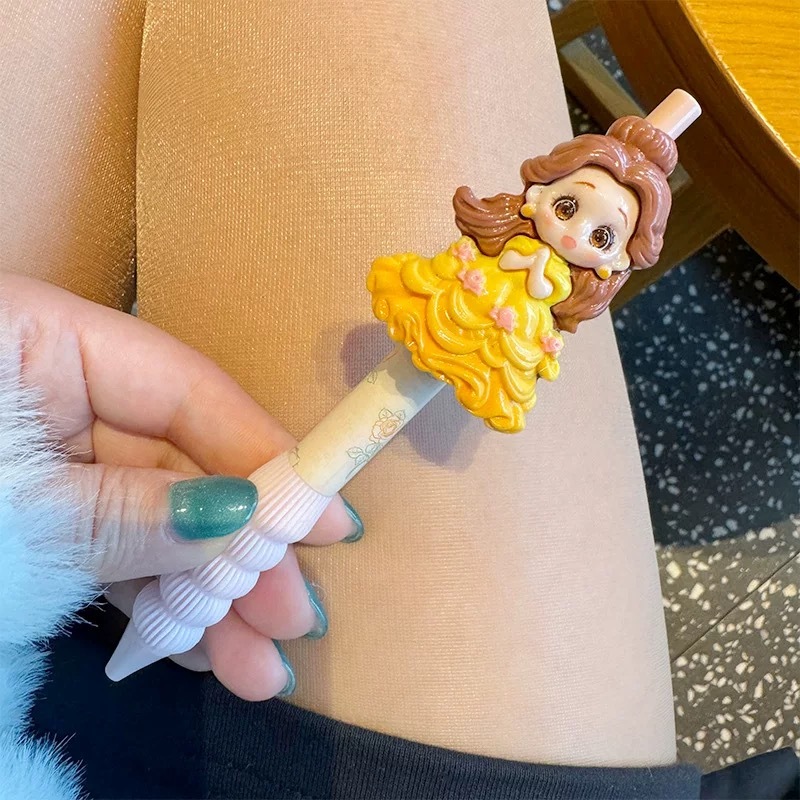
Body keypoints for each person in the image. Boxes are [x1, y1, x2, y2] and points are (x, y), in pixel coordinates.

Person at [1, 2, 796, 798]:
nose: (574, 234)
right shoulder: (484, 265)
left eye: (601, 236)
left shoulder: (539, 310)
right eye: (569, 207)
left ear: (615, 264)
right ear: (539, 195)